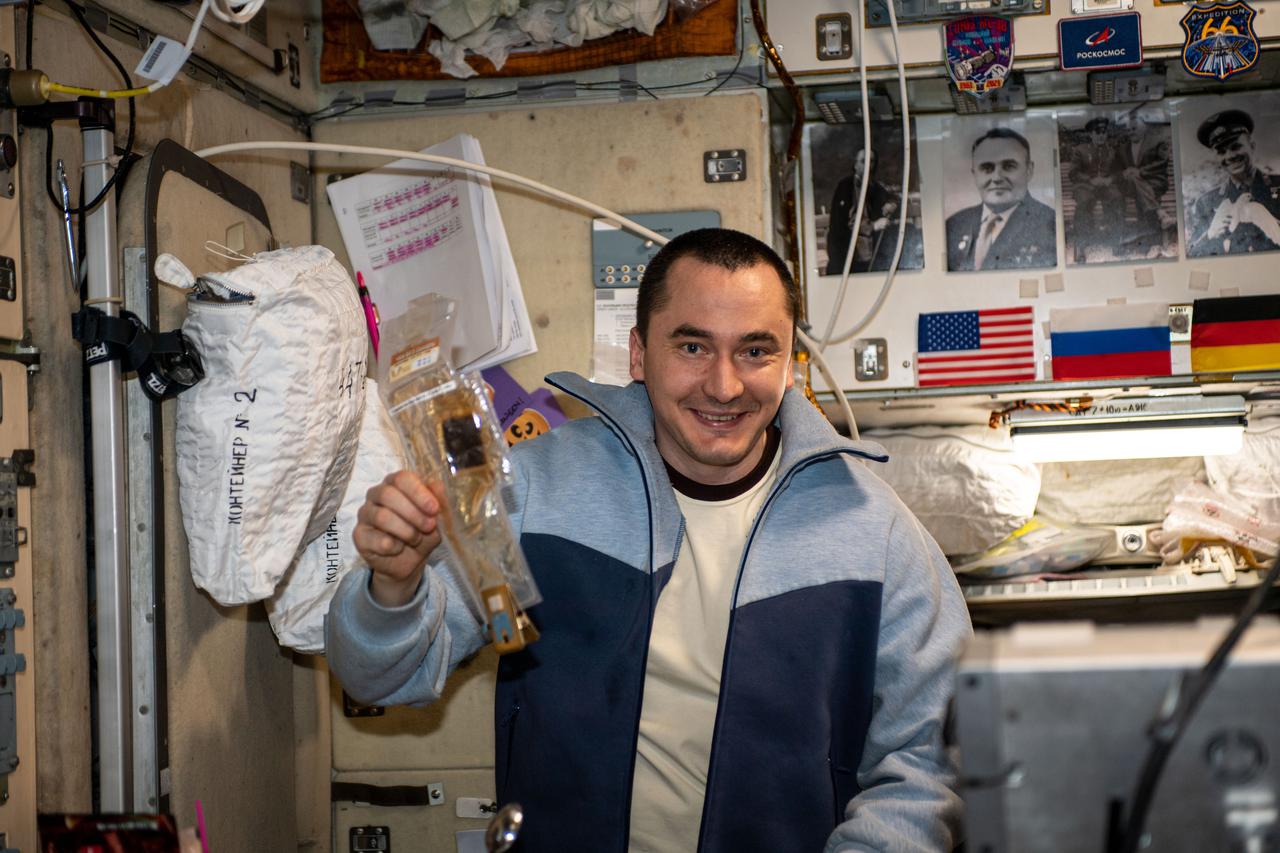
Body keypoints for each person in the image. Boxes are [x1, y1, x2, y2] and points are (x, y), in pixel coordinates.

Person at [326, 228, 972, 852]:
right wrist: (394, 586)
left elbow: (933, 755)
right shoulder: (537, 488)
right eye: (692, 347)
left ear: (790, 363)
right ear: (638, 353)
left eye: (755, 350)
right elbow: (389, 677)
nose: (724, 385)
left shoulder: (871, 528)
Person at [945, 127, 1057, 271]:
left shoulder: (1050, 224)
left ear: (1029, 170)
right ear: (974, 174)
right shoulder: (954, 225)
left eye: (1009, 166)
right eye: (987, 168)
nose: (997, 178)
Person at [1187, 108, 1280, 257]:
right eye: (1221, 152)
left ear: (1252, 146)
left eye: (1236, 147)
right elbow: (1192, 254)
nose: (1229, 156)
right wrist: (1210, 235)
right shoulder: (1205, 202)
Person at [825, 148, 905, 275]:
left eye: (872, 161)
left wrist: (891, 204)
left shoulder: (874, 186)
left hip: (869, 254)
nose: (868, 165)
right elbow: (845, 222)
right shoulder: (845, 186)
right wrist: (873, 226)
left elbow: (895, 198)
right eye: (863, 161)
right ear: (855, 165)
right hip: (847, 254)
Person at [1114, 111, 1174, 256]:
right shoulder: (1123, 149)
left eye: (1134, 129)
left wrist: (1140, 172)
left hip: (1155, 181)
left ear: (1143, 128)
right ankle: (1160, 214)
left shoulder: (1156, 142)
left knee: (1142, 199)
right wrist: (1125, 173)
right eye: (1128, 130)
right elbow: (1116, 169)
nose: (1131, 132)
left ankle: (1147, 247)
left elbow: (1161, 163)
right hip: (1133, 186)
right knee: (1135, 182)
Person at [1067, 117, 1123, 262]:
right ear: (1091, 134)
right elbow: (1073, 173)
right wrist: (1090, 179)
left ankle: (1115, 242)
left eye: (1103, 133)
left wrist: (1110, 179)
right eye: (1097, 133)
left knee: (1116, 198)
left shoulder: (1111, 151)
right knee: (1085, 202)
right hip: (1085, 186)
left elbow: (1118, 171)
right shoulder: (1080, 150)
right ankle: (1082, 246)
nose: (1100, 136)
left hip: (1106, 186)